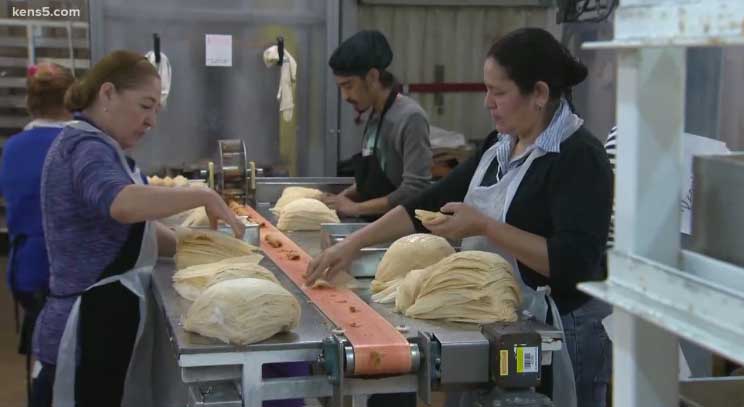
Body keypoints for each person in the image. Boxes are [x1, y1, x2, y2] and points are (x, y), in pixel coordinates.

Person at [306, 28, 613, 407]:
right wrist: (352, 245)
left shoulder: (579, 157)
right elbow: (429, 201)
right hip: (498, 322)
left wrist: (483, 226)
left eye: (499, 92)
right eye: (486, 90)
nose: (488, 103)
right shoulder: (501, 145)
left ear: (539, 93)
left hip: (559, 337)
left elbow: (574, 263)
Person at [30, 50, 245, 407]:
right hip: (81, 332)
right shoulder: (85, 148)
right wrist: (201, 195)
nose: (151, 121)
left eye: (157, 111)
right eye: (145, 106)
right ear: (108, 93)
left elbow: (137, 231)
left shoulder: (105, 148)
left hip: (104, 323)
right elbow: (122, 204)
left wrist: (204, 249)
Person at [0, 62, 74, 401]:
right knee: (66, 365)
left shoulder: (13, 147)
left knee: (47, 357)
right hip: (66, 274)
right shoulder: (77, 145)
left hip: (26, 272)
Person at [323, 30, 432, 220]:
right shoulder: (375, 115)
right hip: (375, 222)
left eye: (348, 86)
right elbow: (371, 181)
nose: (345, 96)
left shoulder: (410, 118)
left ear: (372, 76)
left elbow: (415, 190)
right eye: (341, 88)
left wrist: (355, 208)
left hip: (400, 230)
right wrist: (342, 198)